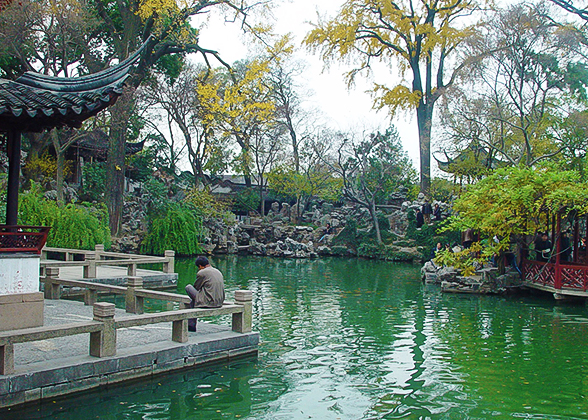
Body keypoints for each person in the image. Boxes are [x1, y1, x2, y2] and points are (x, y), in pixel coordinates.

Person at [185, 256, 225, 331]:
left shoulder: (202, 273)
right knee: (193, 301)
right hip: (219, 302)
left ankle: (191, 326)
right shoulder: (217, 271)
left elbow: (196, 287)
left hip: (209, 302)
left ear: (200, 266)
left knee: (188, 287)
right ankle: (191, 325)